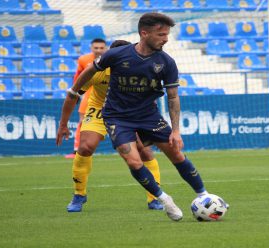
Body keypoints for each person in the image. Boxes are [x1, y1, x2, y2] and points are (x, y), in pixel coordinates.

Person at [63, 12, 225, 221]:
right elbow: (89, 70)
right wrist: (75, 90)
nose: (165, 38)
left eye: (167, 34)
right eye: (161, 34)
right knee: (132, 160)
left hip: (148, 115)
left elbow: (173, 97)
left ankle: (204, 195)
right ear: (144, 33)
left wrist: (176, 131)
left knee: (176, 153)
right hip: (117, 117)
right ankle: (164, 199)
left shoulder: (166, 62)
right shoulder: (117, 55)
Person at [57, 40, 164, 212]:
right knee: (85, 147)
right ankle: (79, 195)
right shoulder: (96, 71)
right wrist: (63, 125)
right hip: (100, 109)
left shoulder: (139, 70)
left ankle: (155, 198)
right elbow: (73, 95)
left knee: (144, 151)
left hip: (129, 112)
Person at [64, 38, 106, 159]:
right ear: (91, 48)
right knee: (83, 121)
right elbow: (78, 77)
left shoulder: (111, 58)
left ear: (105, 48)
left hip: (109, 94)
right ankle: (77, 150)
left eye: (101, 48)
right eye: (96, 48)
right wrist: (75, 93)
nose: (99, 50)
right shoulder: (83, 60)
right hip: (89, 94)